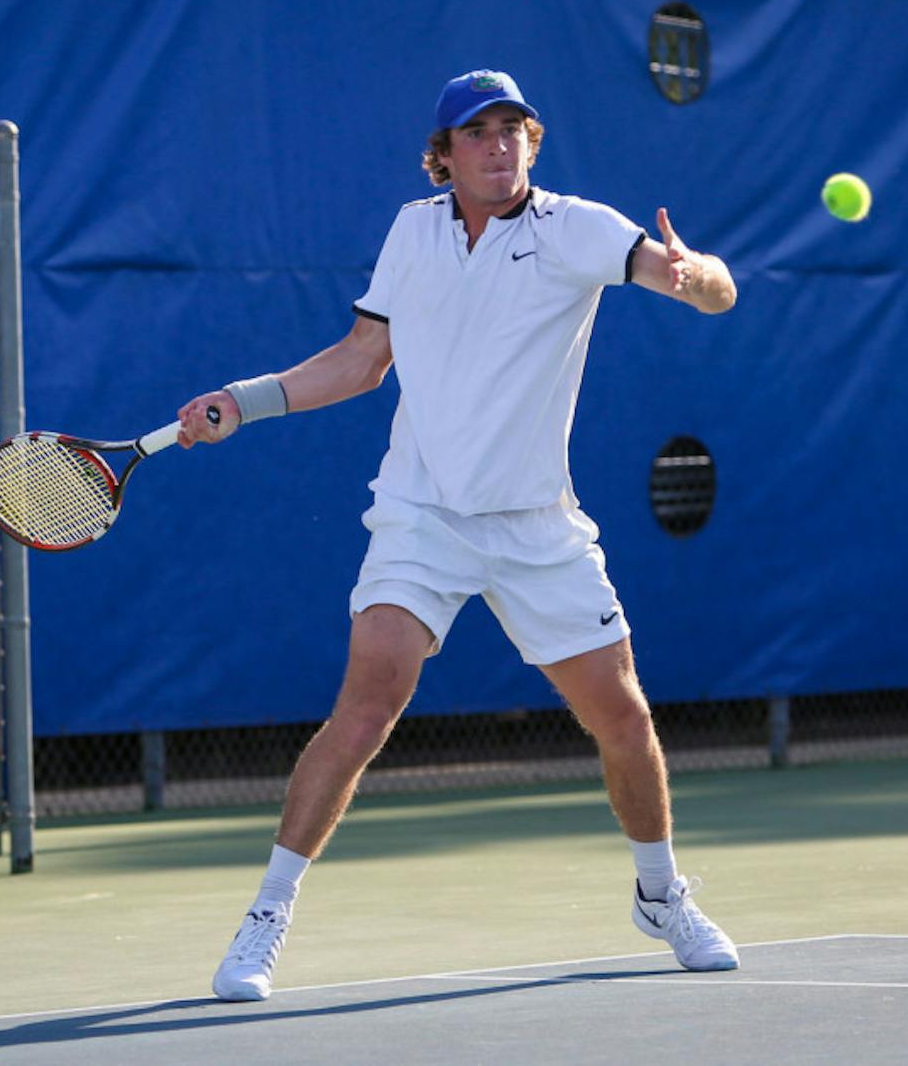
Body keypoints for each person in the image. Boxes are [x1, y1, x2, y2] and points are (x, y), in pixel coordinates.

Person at [176, 69, 739, 1003]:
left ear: (532, 141)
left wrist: (695, 278)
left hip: (535, 525)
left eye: (513, 129)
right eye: (477, 132)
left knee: (624, 716)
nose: (498, 145)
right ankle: (266, 916)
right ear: (444, 155)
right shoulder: (411, 231)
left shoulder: (579, 228)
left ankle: (660, 892)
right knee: (364, 712)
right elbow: (363, 361)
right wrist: (246, 401)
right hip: (422, 514)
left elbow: (708, 289)